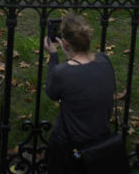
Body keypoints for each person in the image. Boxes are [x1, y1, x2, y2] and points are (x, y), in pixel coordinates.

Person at [44, 13, 115, 174]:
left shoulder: (62, 73)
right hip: (100, 140)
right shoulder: (104, 61)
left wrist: (54, 55)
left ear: (66, 43)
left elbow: (51, 91)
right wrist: (69, 54)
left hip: (69, 147)